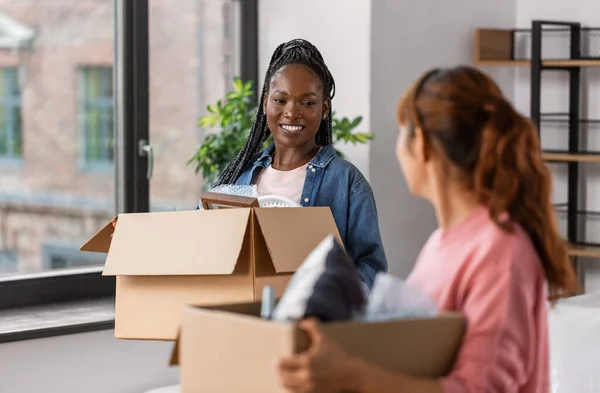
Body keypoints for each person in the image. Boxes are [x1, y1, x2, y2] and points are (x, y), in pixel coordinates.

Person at [276, 66, 578, 393]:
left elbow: (480, 388)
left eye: (400, 132)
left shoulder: (501, 250)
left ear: (420, 143)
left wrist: (354, 377)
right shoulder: (440, 244)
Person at [214, 39, 387, 292]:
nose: (292, 112)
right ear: (265, 103)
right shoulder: (239, 180)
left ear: (324, 108)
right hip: (247, 322)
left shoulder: (348, 184)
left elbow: (371, 270)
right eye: (280, 100)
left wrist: (331, 297)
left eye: (307, 103)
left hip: (314, 324)